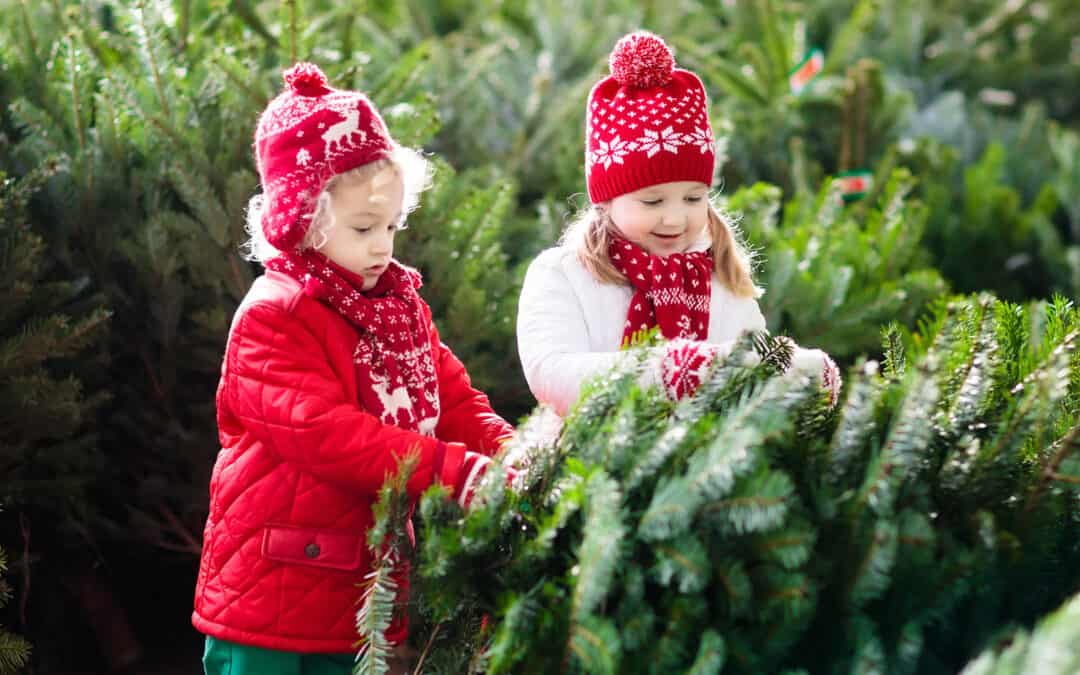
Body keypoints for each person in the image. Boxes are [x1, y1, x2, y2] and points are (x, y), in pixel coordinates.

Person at [192, 62, 514, 675]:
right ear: (304, 222)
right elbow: (330, 435)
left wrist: (508, 452)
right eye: (364, 228)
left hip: (358, 598)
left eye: (393, 225)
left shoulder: (395, 307)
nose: (383, 246)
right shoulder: (274, 317)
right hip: (272, 606)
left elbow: (451, 395)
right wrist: (456, 472)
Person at [517, 32, 841, 417]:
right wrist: (676, 370)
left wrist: (801, 373)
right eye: (652, 200)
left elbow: (751, 377)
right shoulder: (563, 276)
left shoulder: (721, 280)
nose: (674, 218)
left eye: (693, 198)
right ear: (606, 200)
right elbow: (553, 375)